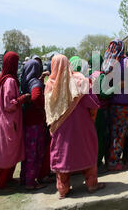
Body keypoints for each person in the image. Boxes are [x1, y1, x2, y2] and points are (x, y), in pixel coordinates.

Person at [45, 54, 105, 199]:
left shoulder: (49, 84)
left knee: (63, 156)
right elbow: (93, 103)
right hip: (82, 126)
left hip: (61, 129)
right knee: (87, 151)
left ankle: (63, 190)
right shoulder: (79, 81)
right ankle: (91, 184)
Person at [0, 51, 27, 190]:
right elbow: (9, 104)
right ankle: (1, 182)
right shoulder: (10, 80)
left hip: (3, 118)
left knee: (6, 150)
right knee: (7, 151)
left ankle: (6, 179)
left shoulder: (4, 78)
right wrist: (22, 98)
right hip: (9, 120)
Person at [104, 40, 128, 171]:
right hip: (123, 104)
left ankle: (109, 159)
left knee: (111, 132)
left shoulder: (108, 61)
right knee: (119, 134)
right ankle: (114, 161)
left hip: (110, 103)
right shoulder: (125, 61)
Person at [20, 59, 48, 190]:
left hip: (27, 120)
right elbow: (36, 97)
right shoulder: (35, 82)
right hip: (36, 121)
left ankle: (24, 178)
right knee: (34, 152)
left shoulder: (25, 81)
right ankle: (31, 182)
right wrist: (45, 104)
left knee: (27, 153)